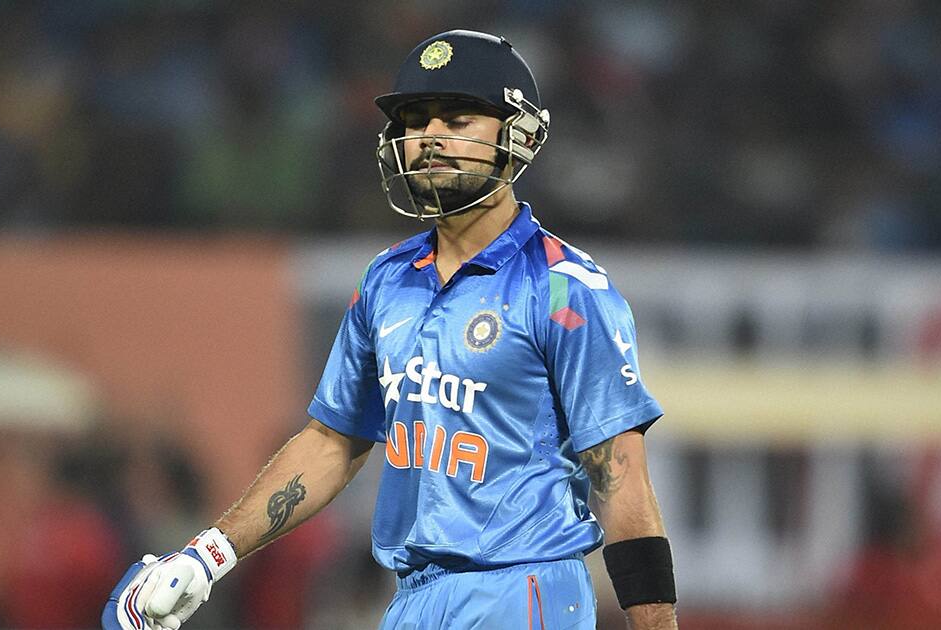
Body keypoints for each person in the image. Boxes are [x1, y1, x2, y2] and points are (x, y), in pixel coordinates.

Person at [104, 29, 677, 630]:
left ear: (520, 135)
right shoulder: (387, 281)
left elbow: (619, 478)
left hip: (522, 589)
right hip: (411, 600)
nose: (429, 137)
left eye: (457, 119)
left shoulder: (566, 289)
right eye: (415, 120)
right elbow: (332, 442)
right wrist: (206, 557)